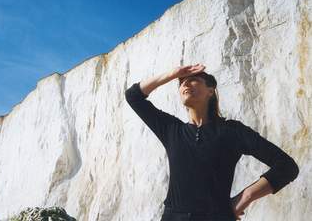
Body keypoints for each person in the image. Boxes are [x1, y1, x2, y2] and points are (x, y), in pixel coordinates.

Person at [124, 64, 299, 221]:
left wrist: (245, 197)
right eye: (181, 83)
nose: (185, 84)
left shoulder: (232, 131)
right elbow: (133, 97)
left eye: (192, 80)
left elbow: (287, 166)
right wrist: (172, 74)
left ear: (210, 90)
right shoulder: (172, 130)